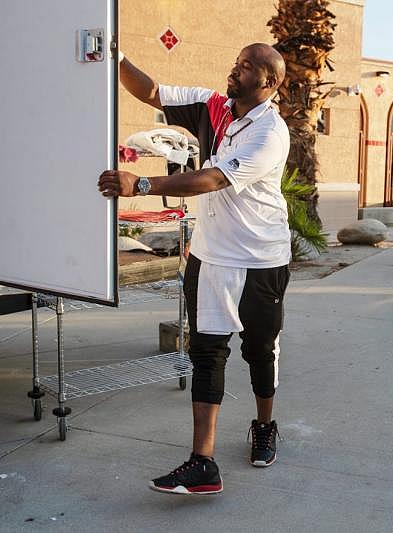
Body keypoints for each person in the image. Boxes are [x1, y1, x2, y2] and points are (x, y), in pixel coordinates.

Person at [98, 43, 291, 495]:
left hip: (262, 260)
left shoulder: (270, 132)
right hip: (210, 257)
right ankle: (202, 462)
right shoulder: (213, 106)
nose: (235, 70)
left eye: (247, 67)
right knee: (206, 353)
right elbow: (152, 92)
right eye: (237, 62)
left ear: (270, 82)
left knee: (260, 350)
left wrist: (141, 184)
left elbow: (212, 179)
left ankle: (265, 425)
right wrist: (115, 54)